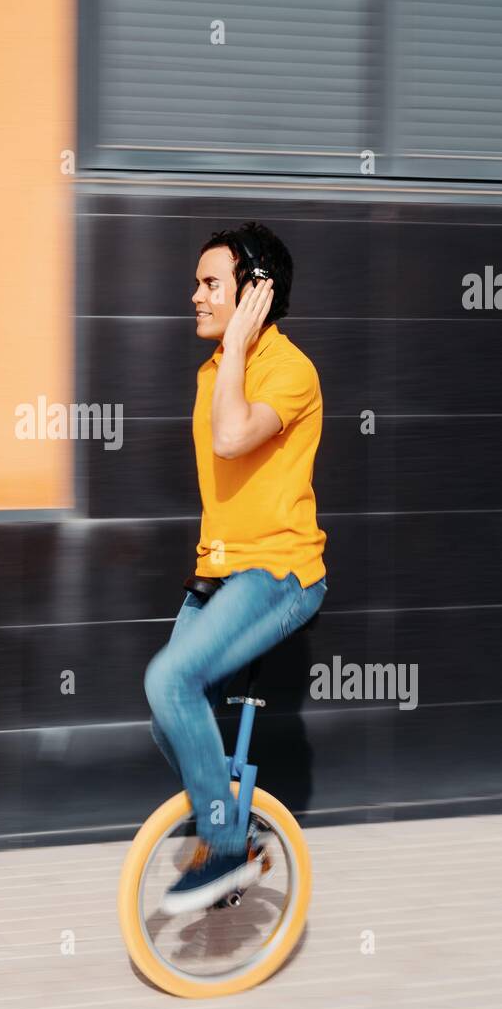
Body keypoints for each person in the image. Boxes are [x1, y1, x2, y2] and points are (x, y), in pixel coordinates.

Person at [143, 221, 328, 915]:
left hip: (280, 575)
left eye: (210, 283)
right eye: (197, 283)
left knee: (169, 676)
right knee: (167, 711)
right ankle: (235, 825)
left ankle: (226, 848)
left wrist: (243, 344)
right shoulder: (215, 369)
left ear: (254, 294)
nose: (194, 295)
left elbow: (230, 436)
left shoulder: (288, 368)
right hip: (220, 572)